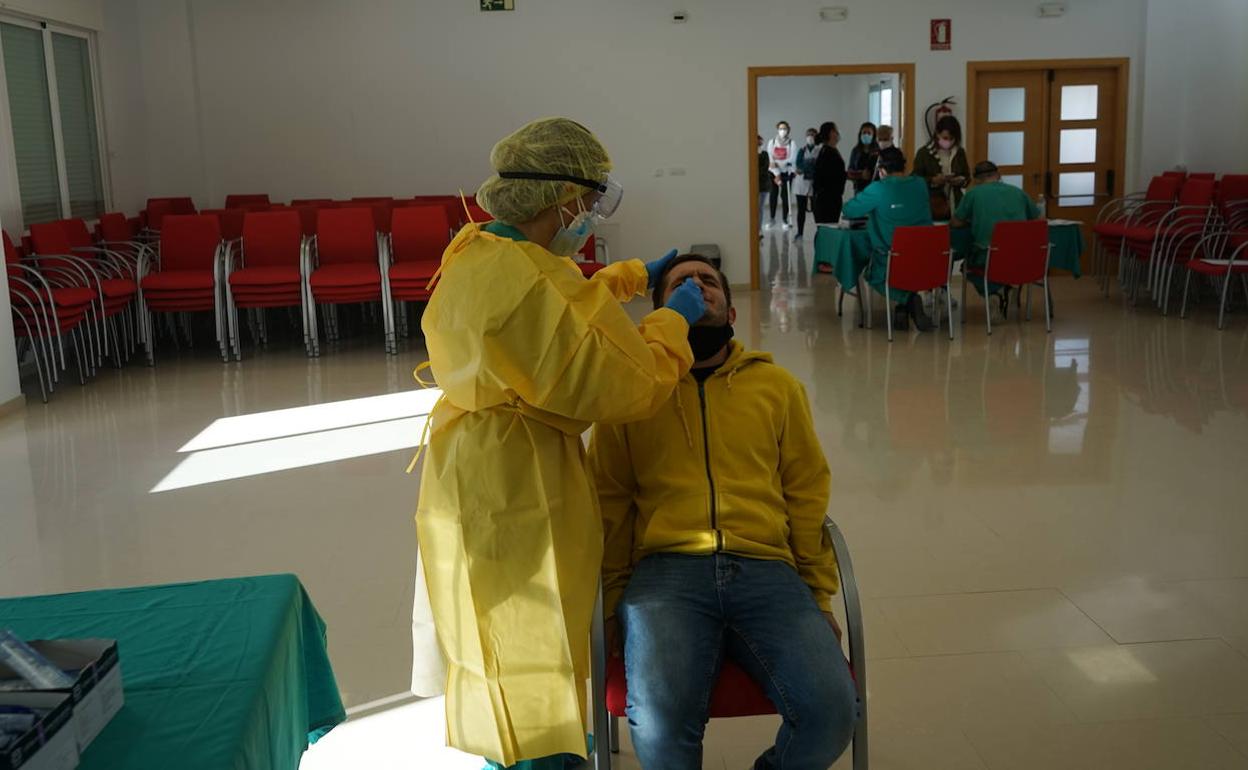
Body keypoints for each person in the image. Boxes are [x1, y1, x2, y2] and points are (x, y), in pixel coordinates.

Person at [412, 117, 709, 770]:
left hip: (469, 462)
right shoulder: (529, 284)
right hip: (517, 481)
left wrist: (633, 276)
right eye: (590, 201)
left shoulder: (480, 250)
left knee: (488, 628)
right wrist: (670, 322)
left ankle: (516, 749)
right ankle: (543, 759)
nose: (590, 216)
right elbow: (625, 383)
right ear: (560, 199)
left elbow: (556, 312)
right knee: (527, 636)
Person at [590, 254, 857, 770]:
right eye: (680, 285)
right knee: (661, 726)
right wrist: (612, 600)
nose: (696, 288)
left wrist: (819, 592)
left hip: (767, 569)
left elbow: (805, 491)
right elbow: (610, 500)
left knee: (832, 711)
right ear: (659, 316)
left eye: (708, 282)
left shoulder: (777, 389)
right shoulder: (631, 397)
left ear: (731, 314)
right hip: (665, 574)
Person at [842, 146, 935, 331]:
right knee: (907, 268)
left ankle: (908, 300)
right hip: (926, 259)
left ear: (881, 170)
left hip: (892, 258)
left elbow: (849, 210)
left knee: (873, 275)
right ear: (904, 166)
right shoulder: (920, 184)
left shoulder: (878, 189)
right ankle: (903, 308)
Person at [952, 160, 1043, 309]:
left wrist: (972, 221)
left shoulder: (973, 194)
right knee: (1007, 264)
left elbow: (955, 223)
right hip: (1022, 257)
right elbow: (1040, 220)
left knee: (968, 268)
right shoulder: (1017, 192)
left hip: (988, 256)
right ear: (999, 175)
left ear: (976, 180)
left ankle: (994, 292)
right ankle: (1011, 286)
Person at [913, 115, 971, 219]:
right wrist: (933, 180)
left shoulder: (959, 152)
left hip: (955, 201)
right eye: (945, 138)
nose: (948, 141)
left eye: (951, 138)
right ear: (937, 134)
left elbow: (967, 177)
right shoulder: (924, 153)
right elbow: (915, 179)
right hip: (933, 203)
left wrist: (961, 180)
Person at [812, 121, 847, 225]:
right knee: (827, 229)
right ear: (831, 133)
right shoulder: (827, 153)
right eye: (836, 130)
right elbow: (829, 176)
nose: (838, 133)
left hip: (831, 198)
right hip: (827, 200)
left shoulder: (831, 150)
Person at [766, 121, 797, 230]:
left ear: (788, 130)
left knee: (785, 196)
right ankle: (772, 219)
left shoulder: (792, 143)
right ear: (777, 129)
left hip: (787, 172)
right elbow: (770, 159)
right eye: (780, 128)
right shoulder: (772, 142)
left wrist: (779, 165)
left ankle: (785, 219)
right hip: (773, 172)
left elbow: (792, 159)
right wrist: (777, 174)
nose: (782, 130)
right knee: (773, 195)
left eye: (784, 128)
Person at [792, 127, 820, 239]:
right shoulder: (801, 150)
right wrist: (810, 165)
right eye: (808, 135)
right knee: (801, 210)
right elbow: (798, 165)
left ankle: (820, 232)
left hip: (814, 183)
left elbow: (819, 166)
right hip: (801, 184)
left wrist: (807, 166)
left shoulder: (820, 150)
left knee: (816, 210)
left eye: (813, 135)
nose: (810, 137)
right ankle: (800, 233)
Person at [847, 122, 880, 195]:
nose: (866, 135)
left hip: (875, 190)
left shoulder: (878, 151)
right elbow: (849, 172)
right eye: (864, 132)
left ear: (873, 135)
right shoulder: (855, 151)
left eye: (869, 133)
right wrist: (860, 174)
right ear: (860, 134)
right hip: (859, 190)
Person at [757, 135, 771, 238]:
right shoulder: (750, 154)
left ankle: (759, 229)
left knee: (759, 208)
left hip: (763, 185)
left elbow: (764, 168)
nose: (759, 145)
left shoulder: (765, 154)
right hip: (753, 185)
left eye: (760, 143)